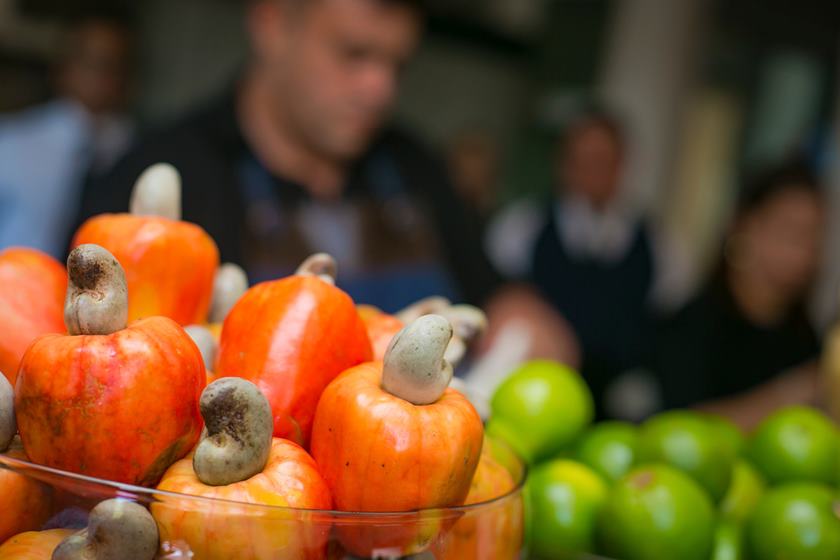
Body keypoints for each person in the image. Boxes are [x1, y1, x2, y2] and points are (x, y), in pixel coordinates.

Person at [74, 0, 497, 312]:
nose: (380, 90)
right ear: (271, 22)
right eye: (355, 54)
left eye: (397, 65)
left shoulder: (416, 168)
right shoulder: (161, 171)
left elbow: (495, 298)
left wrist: (522, 316)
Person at [485, 110, 685, 419]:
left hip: (620, 407)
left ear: (622, 165)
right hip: (536, 397)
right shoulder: (520, 228)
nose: (593, 172)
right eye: (582, 161)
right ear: (563, 164)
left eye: (604, 161)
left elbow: (665, 317)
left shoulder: (657, 242)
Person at [654, 162, 824, 429]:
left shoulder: (804, 336)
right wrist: (793, 392)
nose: (803, 251)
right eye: (791, 231)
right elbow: (678, 426)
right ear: (745, 226)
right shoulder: (694, 325)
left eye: (813, 235)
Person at [0, 13, 133, 256]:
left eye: (112, 65)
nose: (100, 76)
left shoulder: (132, 150)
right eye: (89, 61)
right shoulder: (10, 141)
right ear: (62, 66)